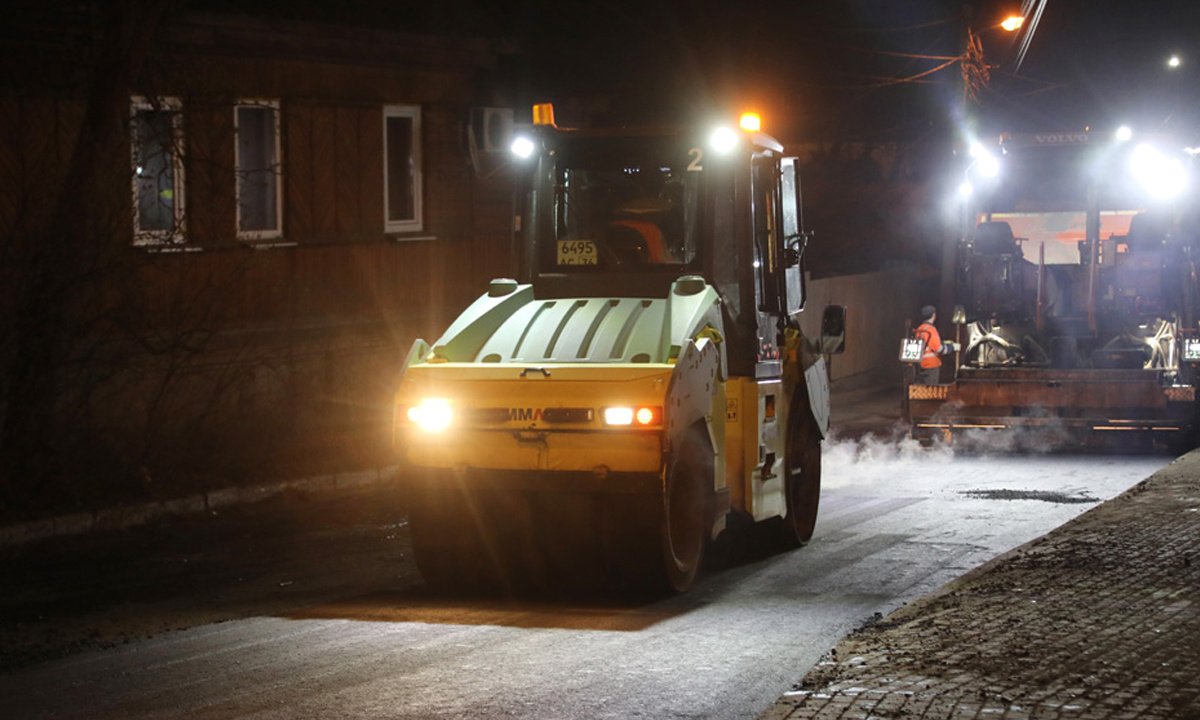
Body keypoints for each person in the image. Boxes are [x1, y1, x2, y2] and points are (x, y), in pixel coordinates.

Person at [913, 305, 957, 385]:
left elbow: (927, 344)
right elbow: (939, 349)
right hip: (931, 365)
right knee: (931, 391)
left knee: (922, 391)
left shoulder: (920, 329)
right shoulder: (931, 330)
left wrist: (943, 342)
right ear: (934, 315)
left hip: (921, 364)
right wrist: (953, 347)